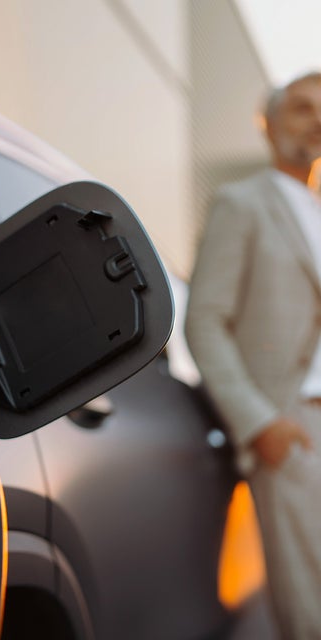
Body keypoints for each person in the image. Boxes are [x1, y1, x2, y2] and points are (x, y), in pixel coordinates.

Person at [186, 71, 321, 639]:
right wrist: (260, 422)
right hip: (295, 433)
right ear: (268, 125)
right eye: (301, 108)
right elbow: (205, 320)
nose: (315, 119)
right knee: (312, 605)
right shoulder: (241, 203)